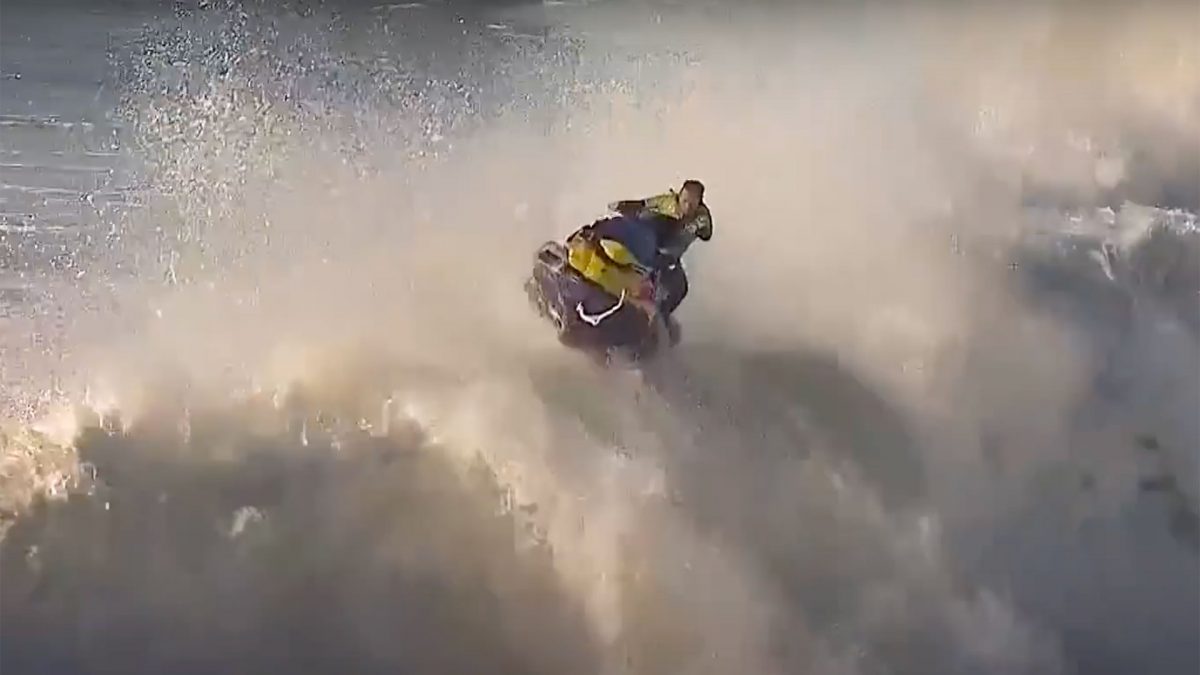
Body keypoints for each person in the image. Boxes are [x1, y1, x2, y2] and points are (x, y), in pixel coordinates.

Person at [607, 179, 713, 315]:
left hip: (669, 259)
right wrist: (622, 205)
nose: (686, 207)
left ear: (699, 204)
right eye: (684, 201)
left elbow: (707, 235)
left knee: (679, 289)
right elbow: (643, 204)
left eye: (692, 204)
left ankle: (661, 319)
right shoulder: (666, 203)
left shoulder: (702, 217)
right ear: (679, 196)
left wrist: (697, 227)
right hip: (649, 248)